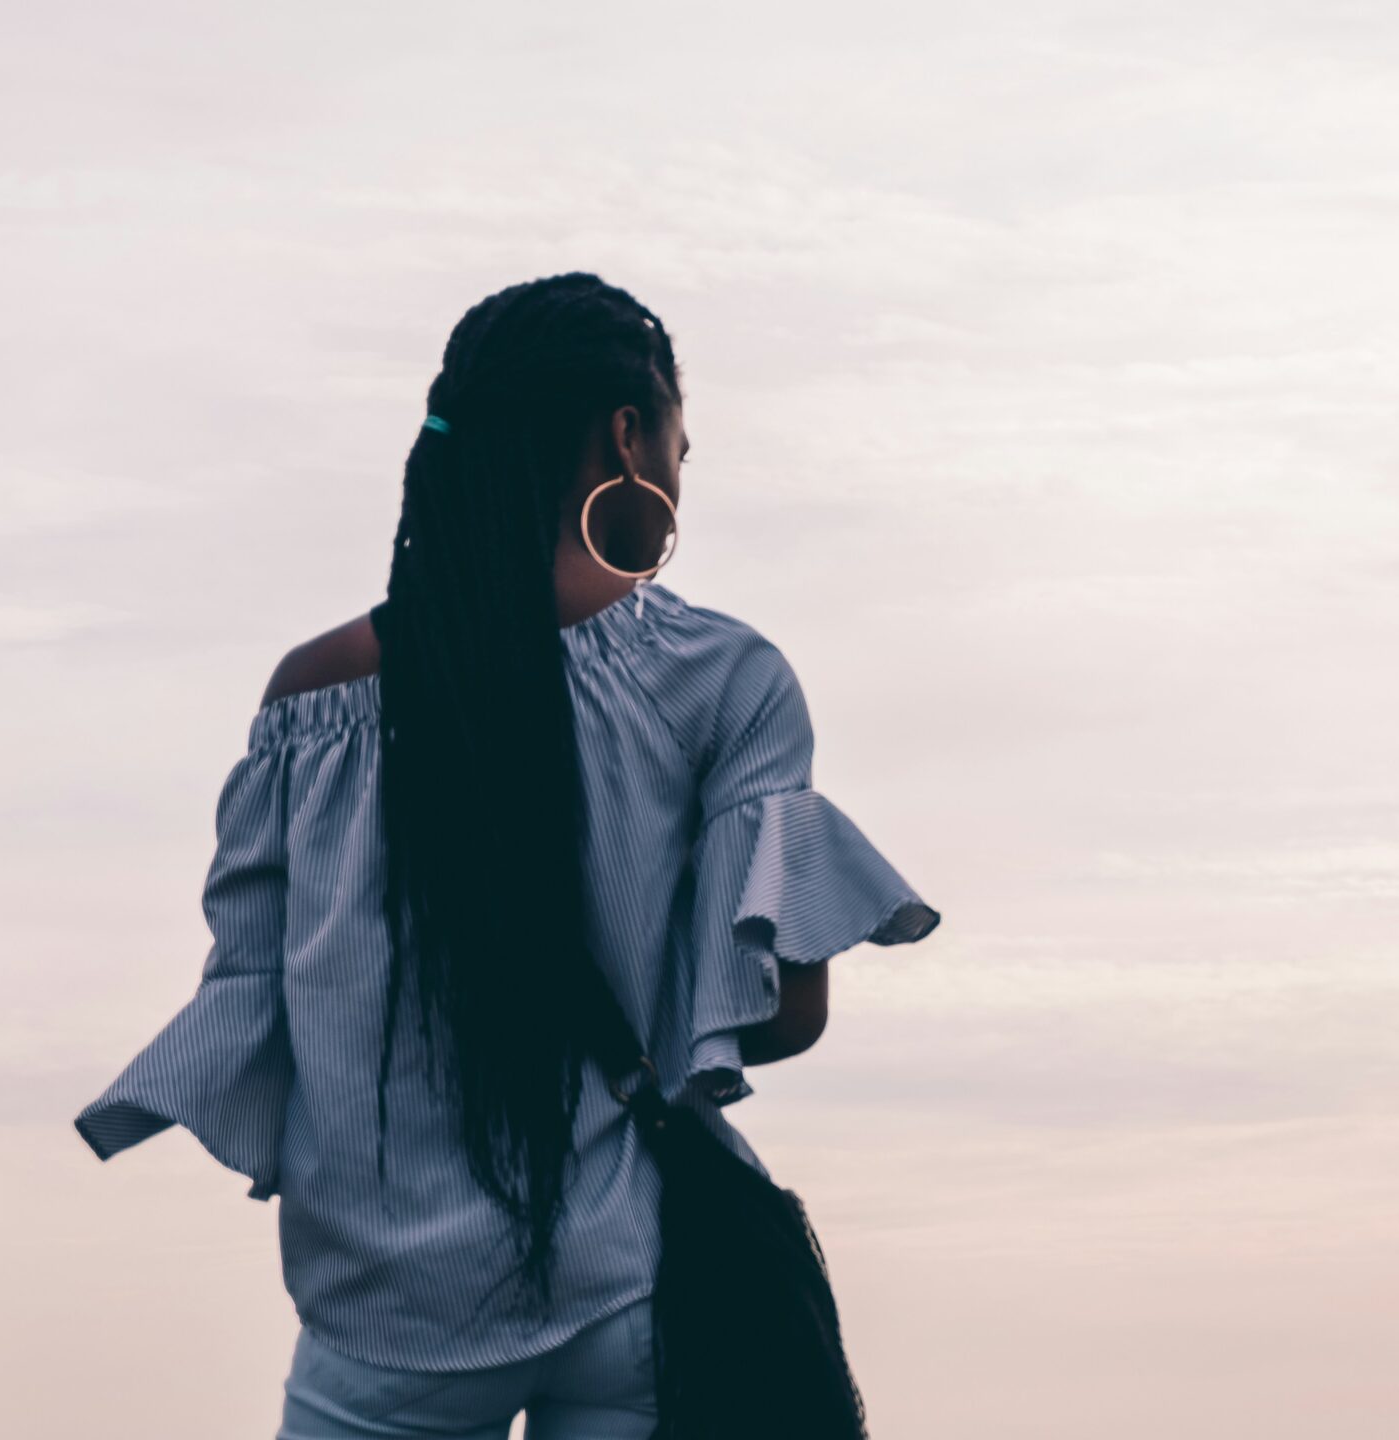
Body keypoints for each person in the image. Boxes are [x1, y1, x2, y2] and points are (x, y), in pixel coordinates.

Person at [71, 271, 942, 1439]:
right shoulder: (725, 682)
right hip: (622, 1281)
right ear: (628, 436)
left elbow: (262, 1009)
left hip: (384, 1310)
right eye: (684, 440)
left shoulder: (309, 702)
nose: (683, 470)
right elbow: (778, 1018)